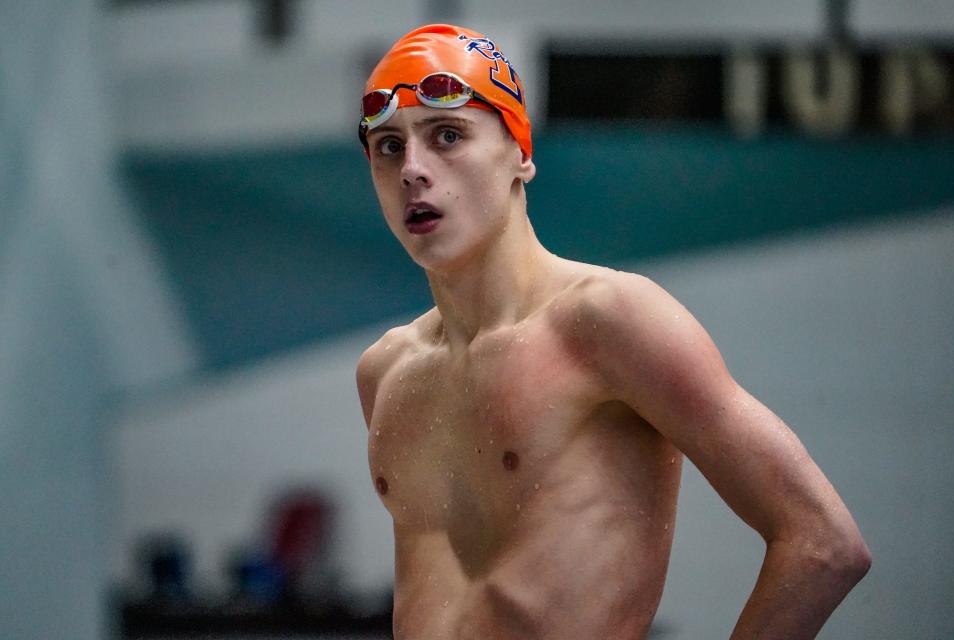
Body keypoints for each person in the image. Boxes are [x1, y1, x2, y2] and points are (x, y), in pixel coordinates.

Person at [354, 24, 870, 640]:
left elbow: (823, 542)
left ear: (520, 153)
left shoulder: (608, 322)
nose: (413, 169)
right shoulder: (388, 371)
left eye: (447, 136)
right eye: (388, 147)